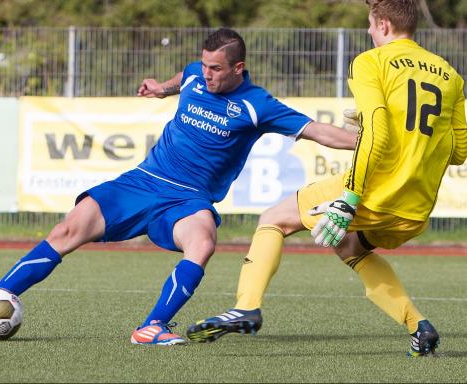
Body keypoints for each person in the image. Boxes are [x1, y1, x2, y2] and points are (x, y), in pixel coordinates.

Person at [0, 28, 356, 346]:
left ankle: (152, 325)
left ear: (238, 69)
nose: (207, 73)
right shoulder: (196, 74)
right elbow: (184, 77)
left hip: (188, 199)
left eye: (216, 68)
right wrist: (160, 89)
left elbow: (319, 131)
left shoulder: (257, 105)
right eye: (204, 64)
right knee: (67, 230)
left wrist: (364, 142)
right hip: (143, 181)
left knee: (204, 242)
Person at [187, 0, 467, 357]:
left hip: (373, 193)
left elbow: (377, 138)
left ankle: (246, 307)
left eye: (369, 24)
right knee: (349, 247)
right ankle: (419, 327)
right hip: (415, 210)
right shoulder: (450, 74)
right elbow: (458, 152)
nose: (368, 32)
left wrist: (349, 198)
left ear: (383, 25)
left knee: (274, 219)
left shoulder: (371, 62)